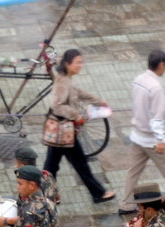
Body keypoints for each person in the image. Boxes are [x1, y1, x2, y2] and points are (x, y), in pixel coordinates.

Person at [43, 49, 115, 204]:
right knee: (78, 163)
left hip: (62, 131)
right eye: (78, 62)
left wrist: (98, 101)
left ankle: (48, 195)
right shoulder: (63, 82)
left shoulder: (66, 79)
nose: (80, 65)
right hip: (64, 131)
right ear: (68, 64)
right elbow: (56, 105)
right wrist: (76, 116)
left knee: (52, 165)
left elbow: (78, 93)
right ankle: (98, 193)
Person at [118, 49, 165, 215]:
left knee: (133, 171)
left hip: (137, 135)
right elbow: (156, 118)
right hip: (152, 140)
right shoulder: (156, 87)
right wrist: (160, 140)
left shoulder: (138, 80)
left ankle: (126, 204)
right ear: (161, 65)